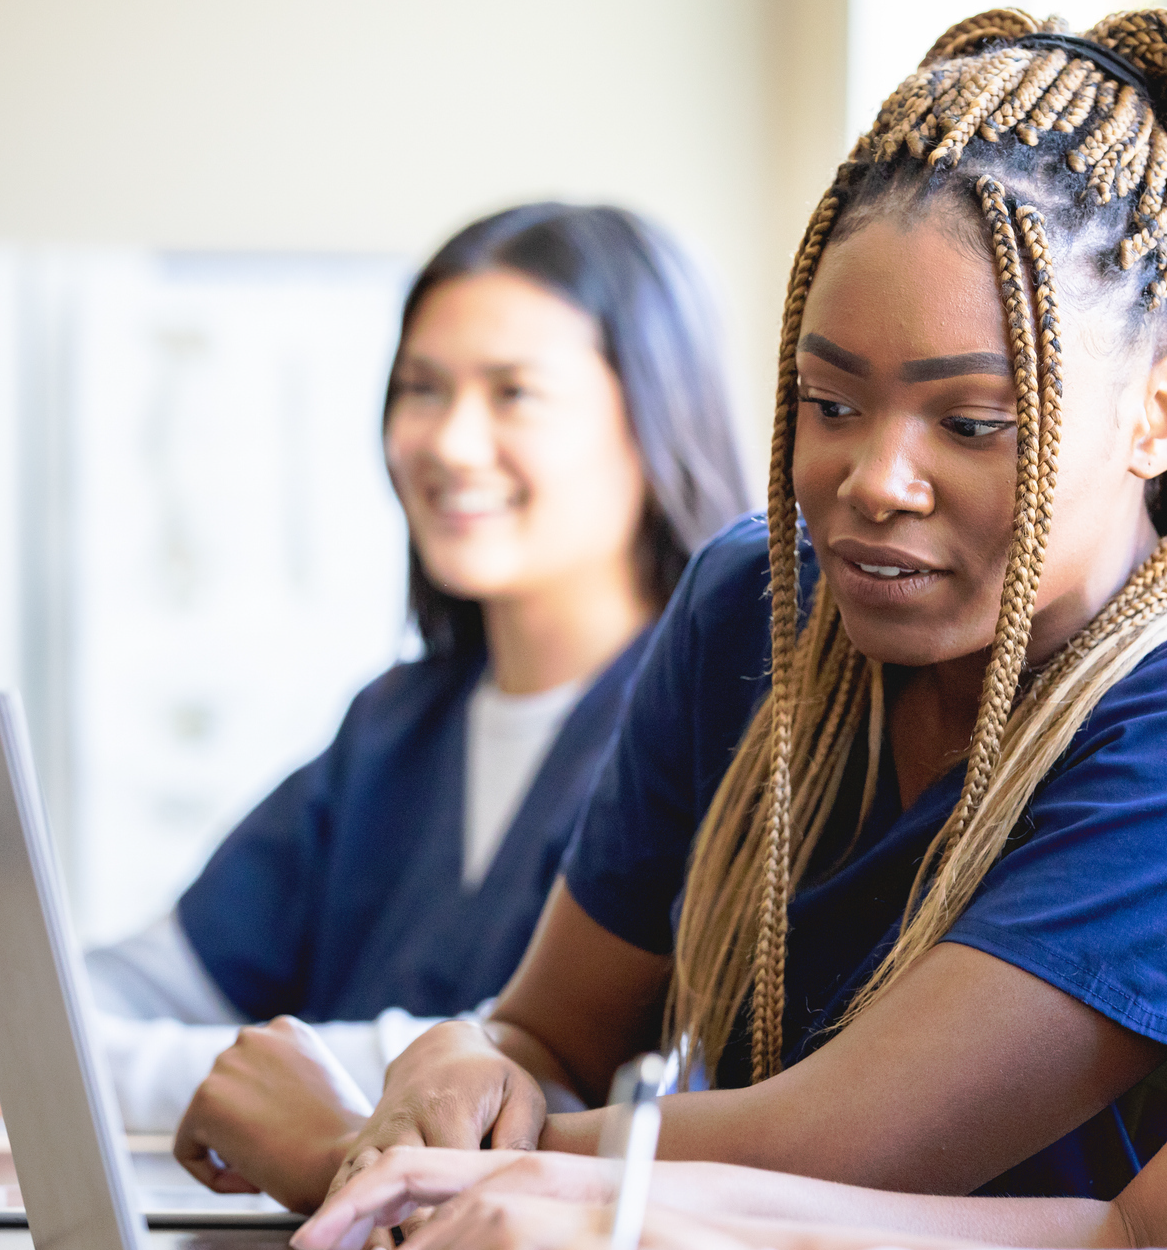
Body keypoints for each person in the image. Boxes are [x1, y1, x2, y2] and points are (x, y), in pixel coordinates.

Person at [294, 78, 1167, 1250]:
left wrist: (370, 1164)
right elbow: (1138, 1234)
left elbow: (856, 1150)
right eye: (827, 404)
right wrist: (474, 1126)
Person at [173, 8, 1167, 1217]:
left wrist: (349, 1150)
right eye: (828, 401)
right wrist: (470, 1065)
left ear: (1160, 414)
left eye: (970, 423)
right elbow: (550, 1030)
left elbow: (844, 1144)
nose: (872, 480)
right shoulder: (749, 608)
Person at [87, 202, 751, 1135]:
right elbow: (148, 981)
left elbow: (485, 1069)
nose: (447, 442)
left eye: (513, 392)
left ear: (654, 414)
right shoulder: (395, 728)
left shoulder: (715, 720)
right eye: (421, 389)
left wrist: (108, 1076)